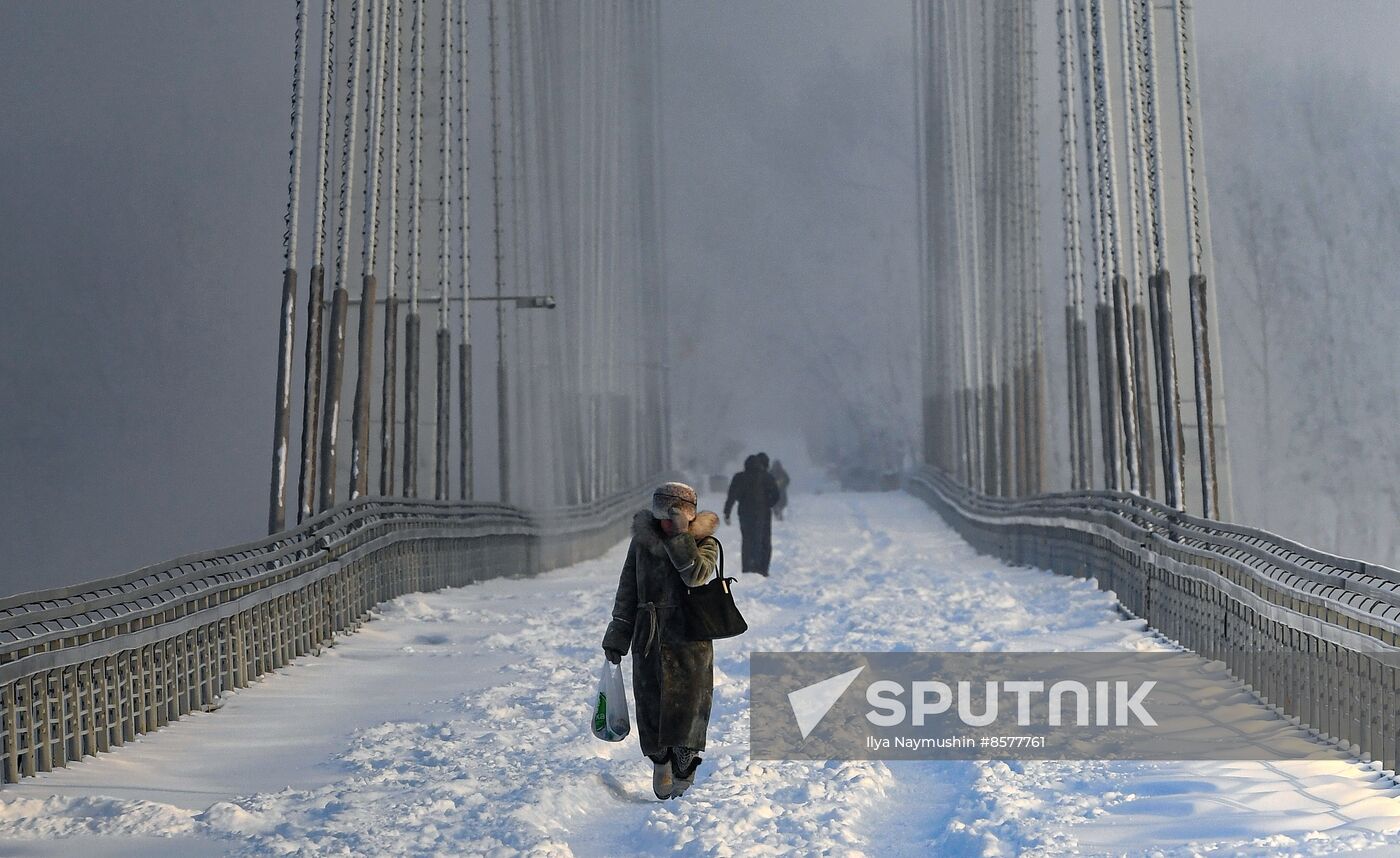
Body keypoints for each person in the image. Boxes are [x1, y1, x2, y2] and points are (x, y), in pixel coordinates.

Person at [602, 481, 720, 800]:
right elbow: (628, 590)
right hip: (649, 635)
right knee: (651, 702)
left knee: (690, 705)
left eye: (674, 514)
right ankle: (660, 760)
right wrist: (617, 636)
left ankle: (685, 763)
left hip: (690, 638)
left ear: (688, 515)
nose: (666, 521)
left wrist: (681, 538)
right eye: (662, 514)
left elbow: (696, 575)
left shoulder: (704, 541)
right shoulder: (642, 543)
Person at [724, 454, 780, 575]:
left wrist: (727, 512)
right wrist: (768, 504)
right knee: (763, 540)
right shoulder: (767, 477)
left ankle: (748, 567)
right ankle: (762, 568)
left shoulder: (739, 477)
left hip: (744, 513)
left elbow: (731, 496)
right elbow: (776, 495)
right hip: (763, 513)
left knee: (747, 540)